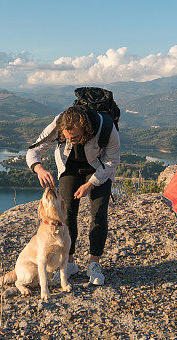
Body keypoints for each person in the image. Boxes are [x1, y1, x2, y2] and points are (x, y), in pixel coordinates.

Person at [26, 105, 120, 285]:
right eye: (67, 138)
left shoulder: (107, 128)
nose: (72, 140)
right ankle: (68, 262)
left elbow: (112, 160)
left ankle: (94, 264)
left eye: (76, 137)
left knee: (99, 213)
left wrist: (91, 184)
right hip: (70, 168)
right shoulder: (58, 124)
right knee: (66, 213)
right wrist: (39, 169)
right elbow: (34, 150)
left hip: (99, 169)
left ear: (85, 128)